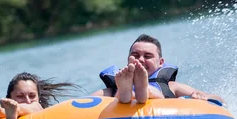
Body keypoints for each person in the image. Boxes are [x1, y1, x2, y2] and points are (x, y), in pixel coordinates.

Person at [91, 34, 225, 105]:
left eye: (148, 56)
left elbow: (218, 99)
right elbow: (81, 104)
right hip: (122, 105)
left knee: (151, 93)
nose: (141, 60)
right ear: (128, 58)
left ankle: (140, 90)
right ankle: (129, 92)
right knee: (120, 95)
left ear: (161, 62)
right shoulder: (115, 85)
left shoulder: (172, 87)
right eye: (136, 55)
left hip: (161, 117)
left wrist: (201, 96)